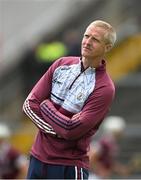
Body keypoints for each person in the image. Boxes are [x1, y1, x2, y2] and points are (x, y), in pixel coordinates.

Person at [23, 20, 117, 179]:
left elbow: (71, 130)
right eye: (86, 36)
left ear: (107, 47)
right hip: (37, 158)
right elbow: (29, 105)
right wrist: (56, 131)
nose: (87, 42)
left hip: (69, 165)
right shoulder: (61, 64)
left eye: (95, 39)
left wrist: (45, 105)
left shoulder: (105, 88)